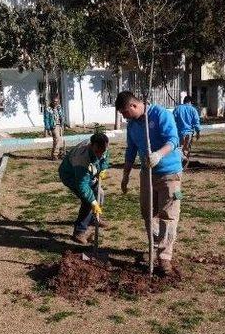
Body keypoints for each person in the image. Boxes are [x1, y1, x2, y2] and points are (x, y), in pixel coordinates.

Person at [116, 91, 182, 275]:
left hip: (169, 174)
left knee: (168, 215)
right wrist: (125, 175)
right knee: (148, 213)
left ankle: (164, 257)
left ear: (133, 106)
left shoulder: (160, 114)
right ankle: (154, 247)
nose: (124, 117)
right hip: (147, 174)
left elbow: (174, 140)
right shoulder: (132, 126)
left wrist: (159, 154)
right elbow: (131, 150)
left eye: (124, 112)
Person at [59, 133, 110, 244]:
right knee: (88, 201)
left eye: (103, 152)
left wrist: (103, 169)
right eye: (97, 152)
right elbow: (82, 185)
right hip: (71, 175)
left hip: (87, 173)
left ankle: (92, 218)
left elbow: (105, 158)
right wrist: (93, 202)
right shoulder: (82, 158)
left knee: (99, 194)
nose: (100, 155)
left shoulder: (103, 147)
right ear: (91, 146)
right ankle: (79, 232)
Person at [173, 95, 201, 163]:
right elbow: (196, 122)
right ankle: (184, 164)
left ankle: (179, 163)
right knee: (186, 149)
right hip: (189, 133)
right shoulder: (193, 110)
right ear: (190, 102)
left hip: (179, 133)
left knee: (179, 148)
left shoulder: (177, 108)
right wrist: (198, 132)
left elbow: (172, 120)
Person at [44, 95, 65, 160]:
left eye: (57, 101)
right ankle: (55, 154)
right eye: (54, 101)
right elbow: (46, 119)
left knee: (58, 140)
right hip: (53, 126)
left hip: (60, 125)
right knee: (57, 139)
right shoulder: (48, 109)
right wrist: (48, 129)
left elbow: (62, 116)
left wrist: (62, 123)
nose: (56, 103)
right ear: (52, 102)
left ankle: (57, 154)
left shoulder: (59, 108)